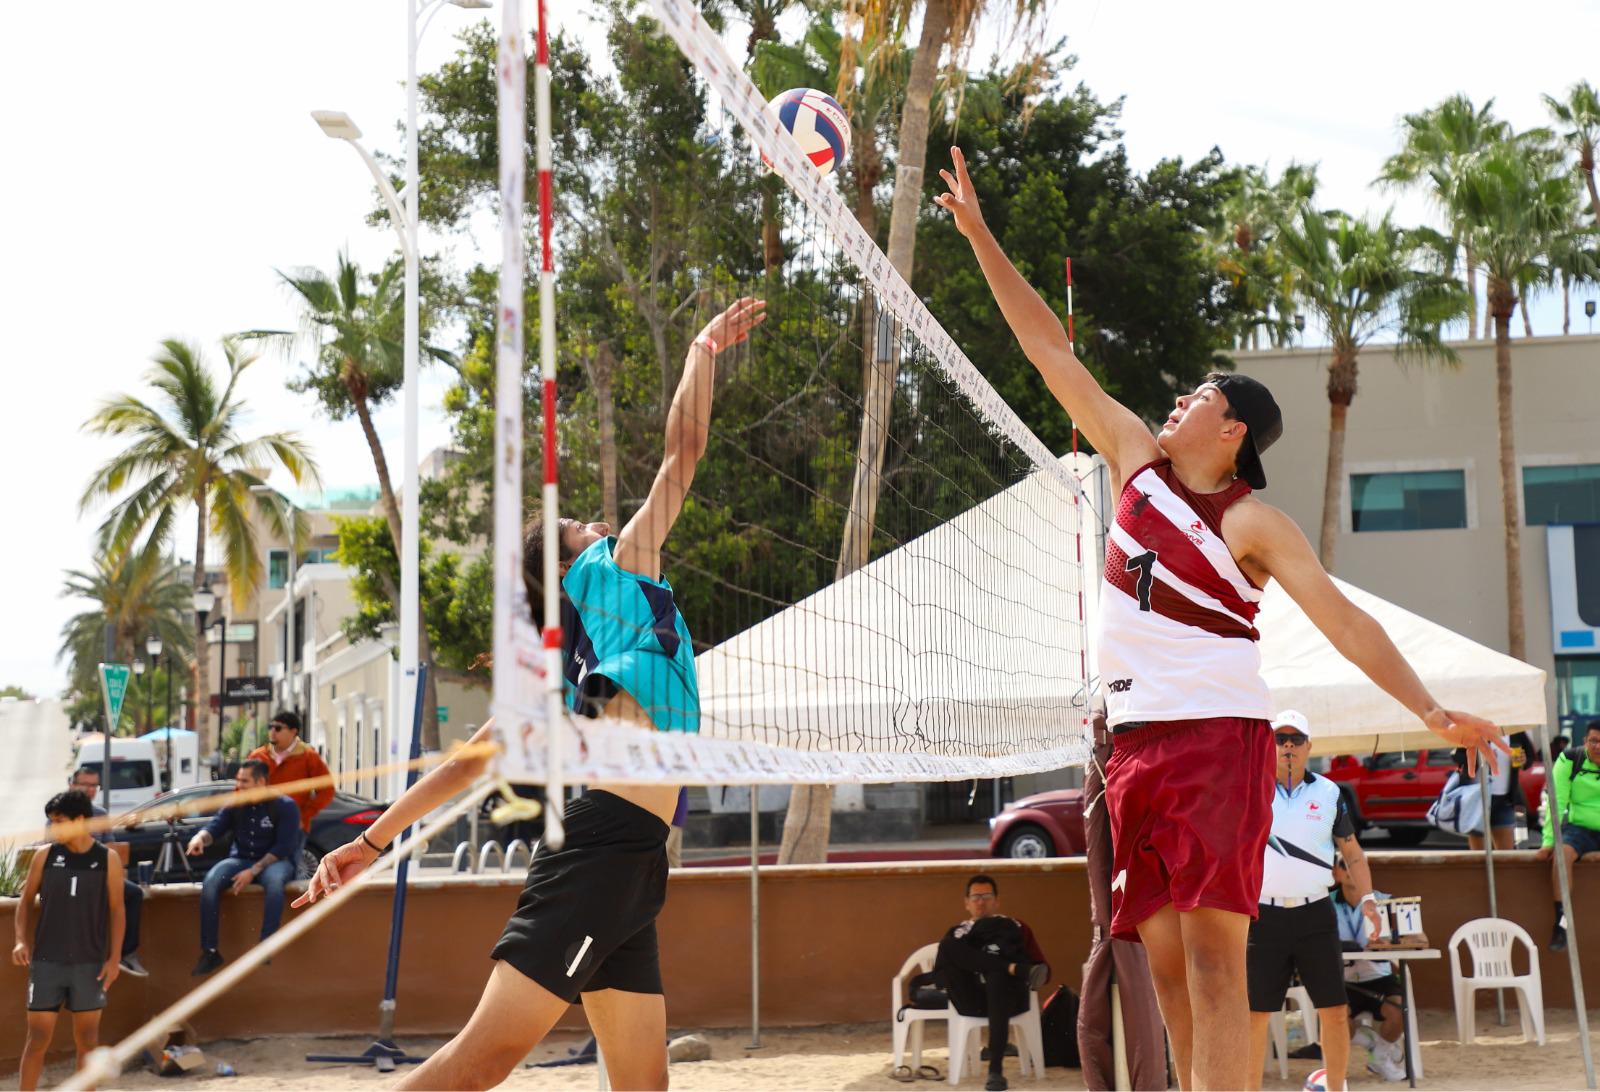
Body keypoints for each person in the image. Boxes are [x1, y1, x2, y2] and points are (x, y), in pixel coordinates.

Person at [935, 147, 1505, 1090]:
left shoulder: (1252, 522)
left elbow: (1346, 623)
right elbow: (1049, 350)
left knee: (1211, 969)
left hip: (1215, 744)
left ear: (1231, 426)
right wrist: (981, 236)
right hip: (1131, 754)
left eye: (1194, 396)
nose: (1172, 402)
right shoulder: (1133, 461)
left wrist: (1434, 710)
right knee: (1162, 975)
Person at [296, 297, 766, 1091]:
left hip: (631, 861)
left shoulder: (583, 662)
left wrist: (371, 842)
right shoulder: (614, 575)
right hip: (603, 853)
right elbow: (683, 453)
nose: (600, 524)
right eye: (583, 524)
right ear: (570, 566)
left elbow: (469, 761)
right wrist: (702, 348)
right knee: (480, 1065)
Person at [1246, 711, 1379, 1090]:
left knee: (1335, 1011)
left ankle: (1335, 1087)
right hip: (1263, 915)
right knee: (1257, 1014)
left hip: (1316, 914)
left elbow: (1351, 852)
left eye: (1296, 739)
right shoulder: (1248, 788)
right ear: (1267, 745)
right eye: (1280, 739)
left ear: (1309, 746)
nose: (1288, 746)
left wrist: (1367, 898)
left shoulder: (1329, 792)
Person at [12, 791, 126, 1091]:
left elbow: (117, 910)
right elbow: (24, 902)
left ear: (80, 820)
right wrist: (20, 941)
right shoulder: (44, 856)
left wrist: (115, 959)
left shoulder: (107, 859)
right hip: (47, 962)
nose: (53, 829)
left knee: (87, 1042)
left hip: (90, 964)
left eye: (59, 822)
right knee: (37, 1040)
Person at [932, 874, 1049, 1091]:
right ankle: (1009, 967)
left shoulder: (1016, 927)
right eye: (975, 896)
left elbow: (1042, 970)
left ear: (997, 901)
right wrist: (1008, 966)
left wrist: (995, 968)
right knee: (948, 945)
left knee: (997, 978)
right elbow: (940, 976)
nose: (981, 901)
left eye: (987, 896)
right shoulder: (957, 933)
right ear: (966, 903)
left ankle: (995, 1070)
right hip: (971, 1000)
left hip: (1009, 1000)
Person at [187, 759, 302, 976]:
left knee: (275, 883)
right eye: (238, 780)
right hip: (240, 859)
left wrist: (253, 871)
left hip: (274, 860)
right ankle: (210, 951)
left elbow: (284, 846)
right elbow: (216, 827)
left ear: (260, 782)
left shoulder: (285, 806)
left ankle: (266, 946)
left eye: (244, 781)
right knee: (211, 881)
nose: (239, 785)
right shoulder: (236, 802)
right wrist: (200, 838)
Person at [67, 766, 148, 977]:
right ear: (73, 785)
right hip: (71, 878)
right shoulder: (61, 812)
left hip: (99, 875)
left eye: (94, 785)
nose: (90, 790)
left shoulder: (100, 814)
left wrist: (115, 874)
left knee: (134, 893)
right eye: (85, 784)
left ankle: (127, 954)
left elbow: (112, 850)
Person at [1331, 856, 1406, 1082]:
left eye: (1358, 865)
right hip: (1340, 979)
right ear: (1337, 873)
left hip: (1378, 976)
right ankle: (1370, 1043)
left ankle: (1380, 1057)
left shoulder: (1386, 902)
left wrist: (1392, 943)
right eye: (1347, 866)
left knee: (1399, 1011)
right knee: (1335, 1020)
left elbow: (1419, 937)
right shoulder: (1322, 905)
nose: (1353, 870)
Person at [1536, 720, 1600, 951]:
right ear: (1585, 741)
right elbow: (1556, 803)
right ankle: (1561, 922)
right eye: (1594, 741)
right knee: (1562, 855)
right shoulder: (1570, 759)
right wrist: (1548, 842)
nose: (1598, 746)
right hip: (1579, 827)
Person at [246, 710, 333, 836]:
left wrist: (303, 816)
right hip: (260, 826)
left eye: (278, 728)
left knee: (287, 856)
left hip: (293, 827)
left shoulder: (308, 756)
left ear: (293, 731)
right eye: (270, 727)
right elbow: (242, 787)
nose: (272, 732)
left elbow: (327, 790)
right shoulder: (257, 756)